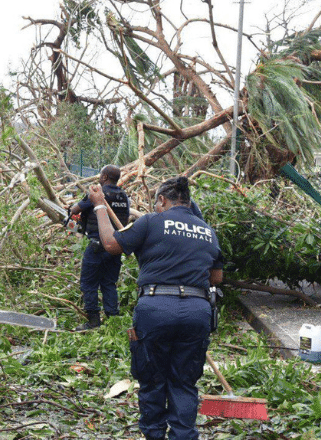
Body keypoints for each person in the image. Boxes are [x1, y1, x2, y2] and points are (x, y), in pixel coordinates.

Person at [88, 176, 224, 440]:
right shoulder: (208, 231)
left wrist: (99, 206)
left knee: (152, 380)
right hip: (197, 313)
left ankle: (153, 435)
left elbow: (110, 244)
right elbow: (216, 278)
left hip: (156, 309)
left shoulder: (150, 221)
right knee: (184, 383)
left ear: (162, 200)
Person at [71, 165, 130, 331]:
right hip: (116, 246)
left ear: (104, 177)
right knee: (109, 283)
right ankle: (113, 321)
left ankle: (93, 321)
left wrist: (82, 204)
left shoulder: (98, 194)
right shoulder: (123, 196)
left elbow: (75, 209)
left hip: (97, 245)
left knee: (88, 283)